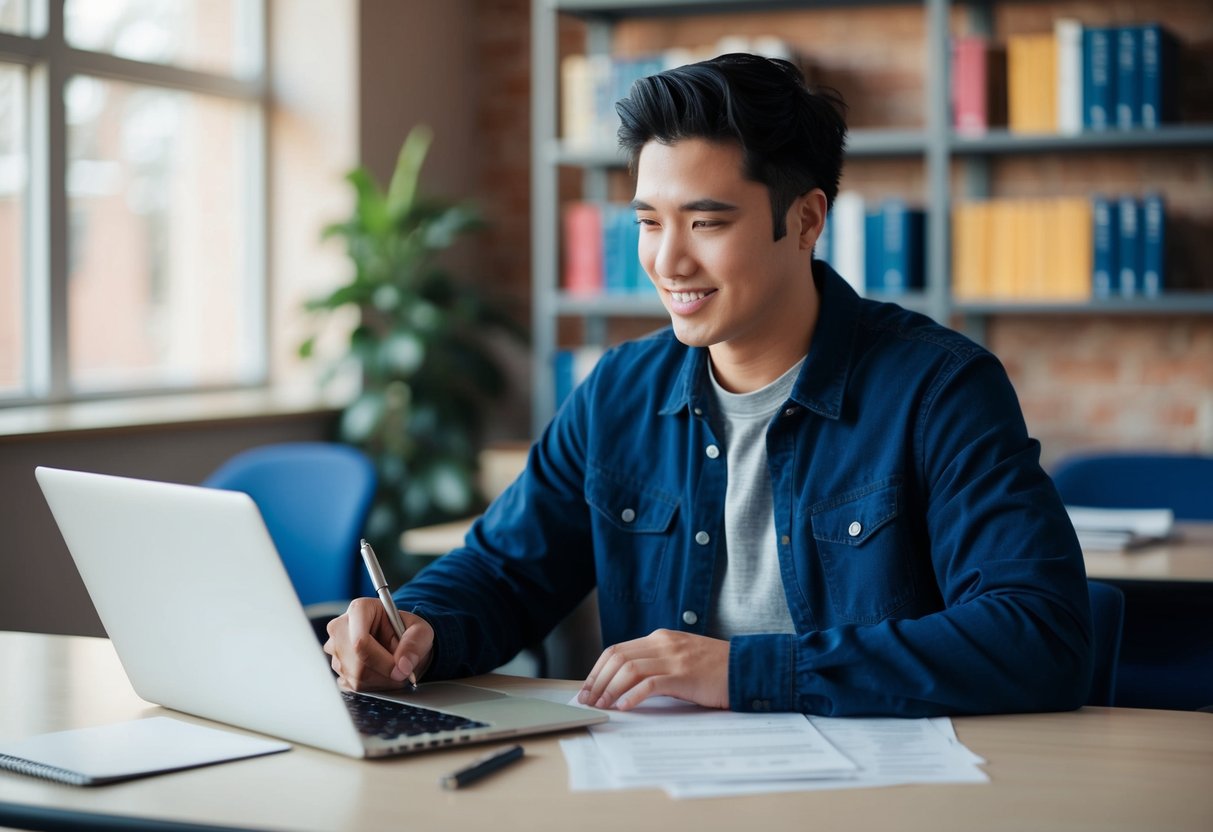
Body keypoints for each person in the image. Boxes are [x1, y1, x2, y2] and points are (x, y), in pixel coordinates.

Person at [325, 53, 1092, 717]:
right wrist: (415, 624)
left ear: (804, 220)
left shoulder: (938, 388)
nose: (667, 262)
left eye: (706, 223)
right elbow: (503, 573)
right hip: (659, 784)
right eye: (649, 222)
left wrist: (742, 671)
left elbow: (1037, 633)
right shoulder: (618, 391)